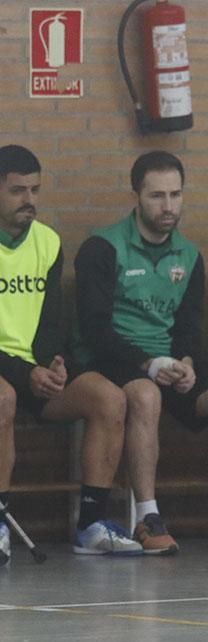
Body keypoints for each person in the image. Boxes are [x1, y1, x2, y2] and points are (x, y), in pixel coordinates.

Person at [74, 150, 208, 556]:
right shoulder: (102, 248)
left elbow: (187, 326)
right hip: (115, 361)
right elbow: (94, 330)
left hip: (168, 364)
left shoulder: (188, 254)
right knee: (145, 395)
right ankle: (147, 517)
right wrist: (147, 363)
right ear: (136, 196)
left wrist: (184, 361)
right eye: (156, 196)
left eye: (175, 195)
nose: (168, 206)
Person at [0, 144, 141, 560]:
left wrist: (52, 366)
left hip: (31, 369)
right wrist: (24, 372)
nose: (29, 200)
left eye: (35, 190)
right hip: (9, 374)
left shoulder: (47, 242)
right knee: (3, 398)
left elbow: (50, 320)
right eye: (17, 191)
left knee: (109, 397)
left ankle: (92, 524)